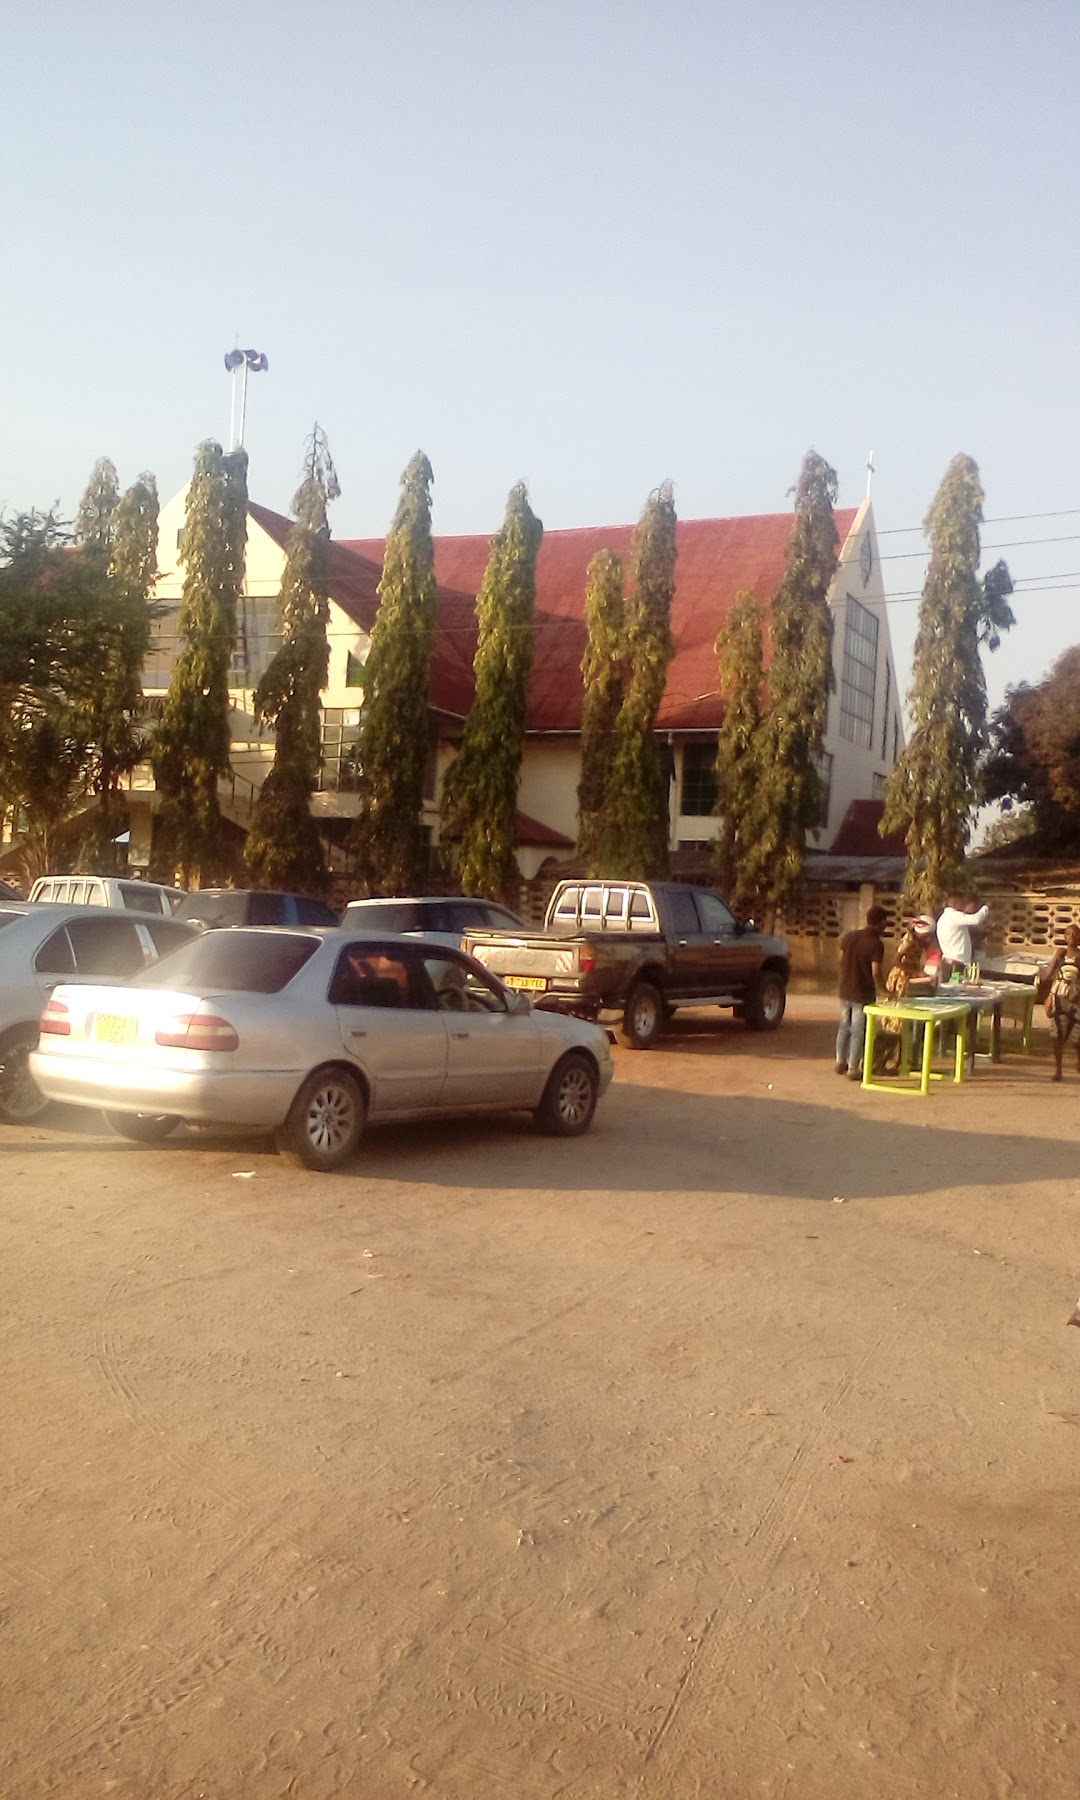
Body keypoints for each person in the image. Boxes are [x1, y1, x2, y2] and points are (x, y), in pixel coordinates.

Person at [836, 905, 888, 1081]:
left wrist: (848, 974)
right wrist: (885, 990)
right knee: (858, 1030)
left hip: (845, 989)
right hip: (862, 993)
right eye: (884, 923)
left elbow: (841, 958)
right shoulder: (876, 944)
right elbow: (876, 971)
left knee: (844, 1026)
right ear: (881, 922)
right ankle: (853, 1068)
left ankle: (840, 1061)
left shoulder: (849, 937)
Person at [1044, 924, 1080, 1083]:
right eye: (1068, 934)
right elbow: (1047, 976)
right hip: (1058, 996)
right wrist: (1054, 958)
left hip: (1076, 1000)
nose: (1071, 937)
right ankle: (1058, 1069)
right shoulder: (1060, 955)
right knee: (1056, 1034)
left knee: (1076, 1037)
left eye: (1074, 934)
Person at [935, 893, 990, 981]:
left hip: (949, 960)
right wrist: (986, 908)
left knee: (948, 989)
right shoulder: (954, 916)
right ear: (956, 903)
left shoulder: (944, 918)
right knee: (956, 989)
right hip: (956, 962)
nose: (963, 905)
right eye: (962, 903)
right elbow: (976, 920)